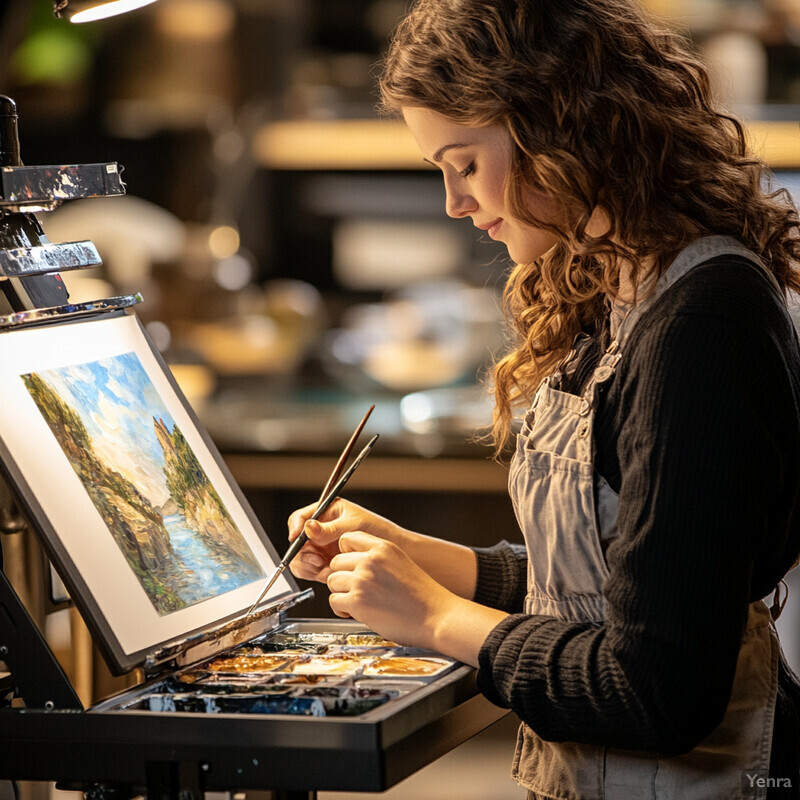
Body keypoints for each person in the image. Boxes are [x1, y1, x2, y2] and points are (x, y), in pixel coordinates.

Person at [287, 1, 800, 797]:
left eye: (463, 163)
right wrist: (430, 565)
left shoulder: (703, 324)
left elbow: (657, 688)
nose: (454, 203)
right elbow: (615, 585)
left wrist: (432, 618)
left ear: (555, 128)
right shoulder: (621, 285)